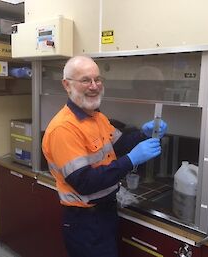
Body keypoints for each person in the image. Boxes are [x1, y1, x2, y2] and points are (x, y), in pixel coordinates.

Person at [42, 55, 167, 257]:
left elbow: (118, 145)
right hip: (84, 222)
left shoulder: (96, 117)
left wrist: (144, 133)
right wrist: (131, 159)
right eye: (85, 80)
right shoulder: (63, 129)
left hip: (105, 213)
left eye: (97, 79)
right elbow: (85, 182)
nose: (94, 86)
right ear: (67, 85)